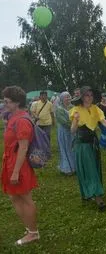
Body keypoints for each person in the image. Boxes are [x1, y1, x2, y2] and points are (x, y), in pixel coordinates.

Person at [1, 86, 39, 245]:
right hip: (11, 162)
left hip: (18, 164)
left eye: (7, 101)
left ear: (17, 102)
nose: (4, 104)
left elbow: (23, 147)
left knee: (25, 198)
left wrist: (15, 172)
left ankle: (33, 233)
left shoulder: (22, 120)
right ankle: (29, 228)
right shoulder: (13, 117)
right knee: (14, 197)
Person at [70, 86, 106, 211]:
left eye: (91, 95)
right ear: (82, 97)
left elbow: (103, 121)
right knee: (89, 169)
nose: (89, 98)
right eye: (87, 95)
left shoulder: (95, 109)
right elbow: (72, 131)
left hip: (93, 143)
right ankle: (97, 198)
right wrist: (75, 120)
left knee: (94, 168)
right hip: (82, 144)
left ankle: (90, 191)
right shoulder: (75, 109)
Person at [55, 92, 76, 175]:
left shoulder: (73, 107)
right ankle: (67, 168)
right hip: (64, 131)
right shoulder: (59, 109)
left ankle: (75, 166)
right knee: (66, 148)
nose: (68, 98)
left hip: (73, 131)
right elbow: (63, 122)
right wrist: (73, 126)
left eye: (69, 97)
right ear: (62, 99)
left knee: (73, 148)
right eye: (66, 97)